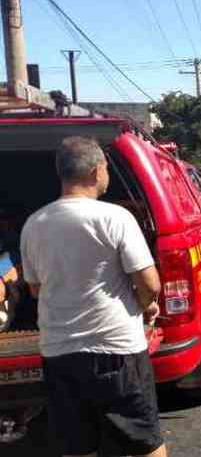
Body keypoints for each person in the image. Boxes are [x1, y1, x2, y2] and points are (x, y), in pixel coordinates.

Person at [20, 137, 167, 457]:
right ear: (95, 170)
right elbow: (149, 282)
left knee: (76, 445)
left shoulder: (34, 224)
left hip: (60, 352)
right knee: (144, 442)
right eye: (106, 169)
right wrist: (146, 305)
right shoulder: (115, 218)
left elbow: (35, 289)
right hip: (116, 350)